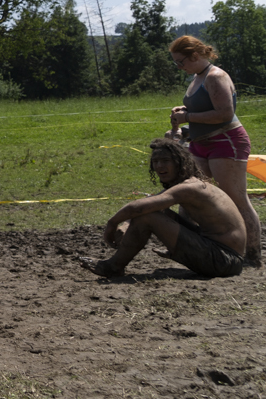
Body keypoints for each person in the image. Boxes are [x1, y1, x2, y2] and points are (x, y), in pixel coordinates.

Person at [80, 137, 245, 278]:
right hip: (223, 256)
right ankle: (115, 265)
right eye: (155, 161)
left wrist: (112, 223)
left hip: (224, 260)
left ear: (179, 162)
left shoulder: (189, 188)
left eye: (165, 161)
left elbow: (138, 209)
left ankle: (114, 266)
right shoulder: (186, 184)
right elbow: (149, 204)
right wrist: (126, 224)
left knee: (148, 217)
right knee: (155, 211)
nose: (159, 166)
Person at [169, 35, 261, 267]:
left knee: (236, 198)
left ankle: (252, 255)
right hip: (200, 142)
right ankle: (187, 250)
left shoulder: (215, 76)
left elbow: (224, 113)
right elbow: (204, 107)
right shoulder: (197, 77)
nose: (179, 67)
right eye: (176, 62)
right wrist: (184, 111)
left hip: (225, 141)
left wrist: (188, 116)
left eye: (181, 62)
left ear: (195, 55)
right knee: (189, 195)